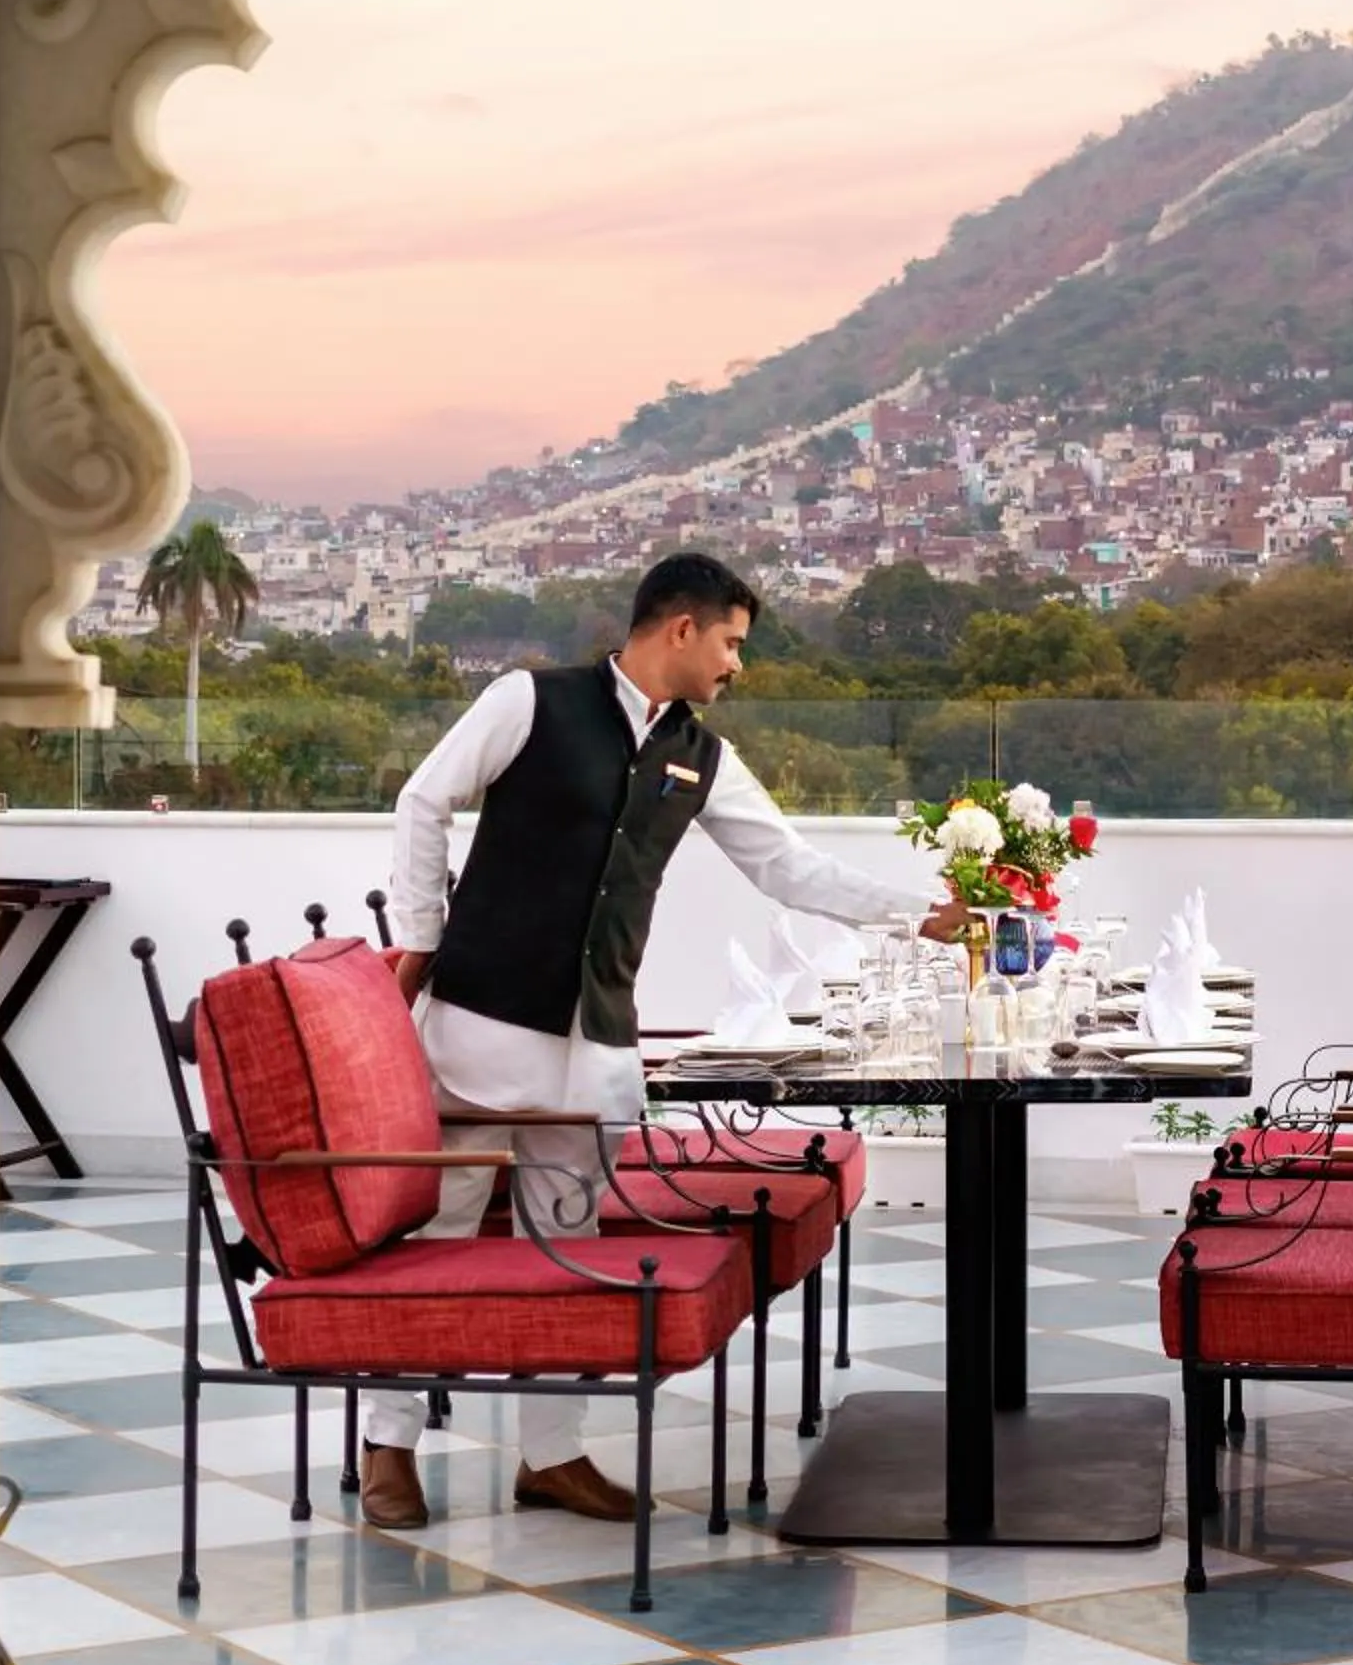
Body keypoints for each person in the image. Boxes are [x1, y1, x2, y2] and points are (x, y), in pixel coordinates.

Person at [367, 550, 961, 1530]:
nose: (735, 665)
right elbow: (422, 800)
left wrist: (919, 915)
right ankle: (389, 1445)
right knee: (439, 1235)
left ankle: (549, 1455)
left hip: (595, 1035)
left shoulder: (700, 756)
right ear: (678, 629)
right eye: (729, 643)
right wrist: (421, 940)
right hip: (478, 1019)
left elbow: (788, 867)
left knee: (567, 1241)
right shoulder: (529, 701)